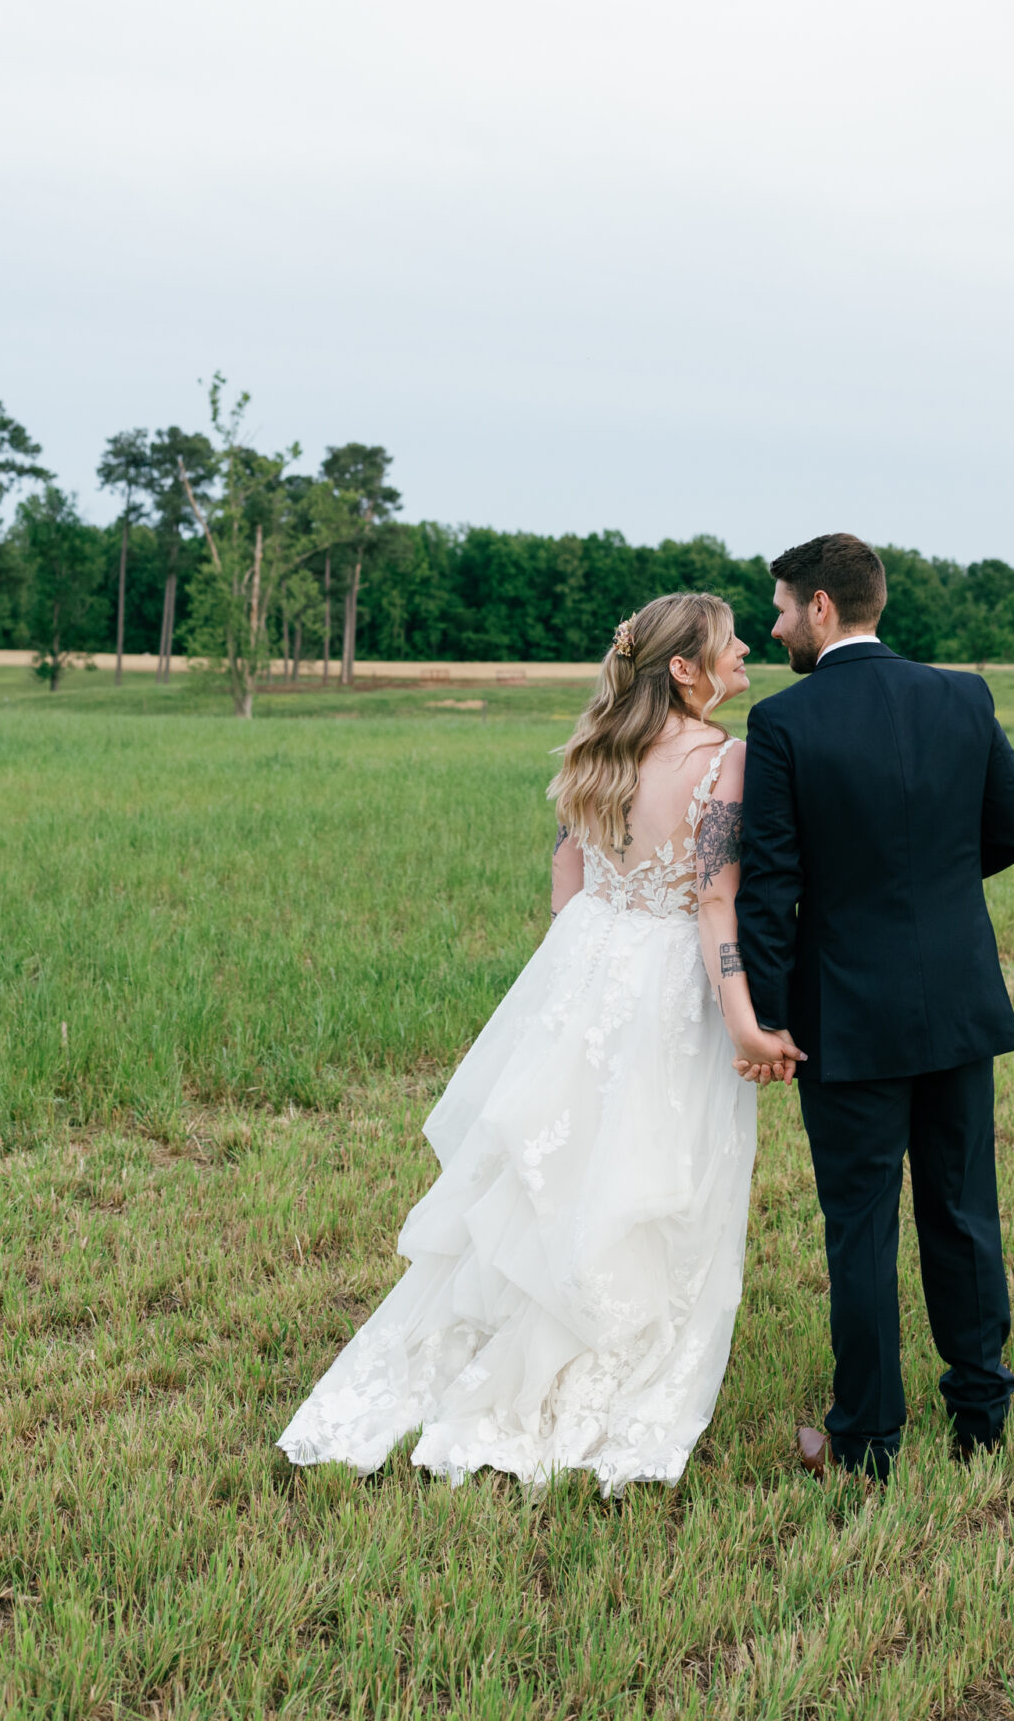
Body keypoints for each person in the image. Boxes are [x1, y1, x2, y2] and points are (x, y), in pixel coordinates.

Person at [277, 591, 796, 1493]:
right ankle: (593, 1375)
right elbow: (716, 903)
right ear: (685, 668)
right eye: (728, 642)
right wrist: (745, 1018)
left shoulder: (597, 749)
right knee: (650, 1175)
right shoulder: (728, 760)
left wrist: (588, 967)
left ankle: (477, 1357)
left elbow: (568, 876)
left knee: (551, 1179)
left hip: (583, 968)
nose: (747, 647)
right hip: (669, 983)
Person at [736, 533, 1014, 1482]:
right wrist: (934, 887)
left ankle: (867, 1438)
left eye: (782, 607)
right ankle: (981, 1415)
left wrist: (772, 1013)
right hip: (956, 998)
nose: (774, 624)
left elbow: (770, 886)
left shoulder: (784, 722)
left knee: (860, 1222)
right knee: (961, 1207)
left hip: (848, 1012)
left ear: (822, 608)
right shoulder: (964, 694)